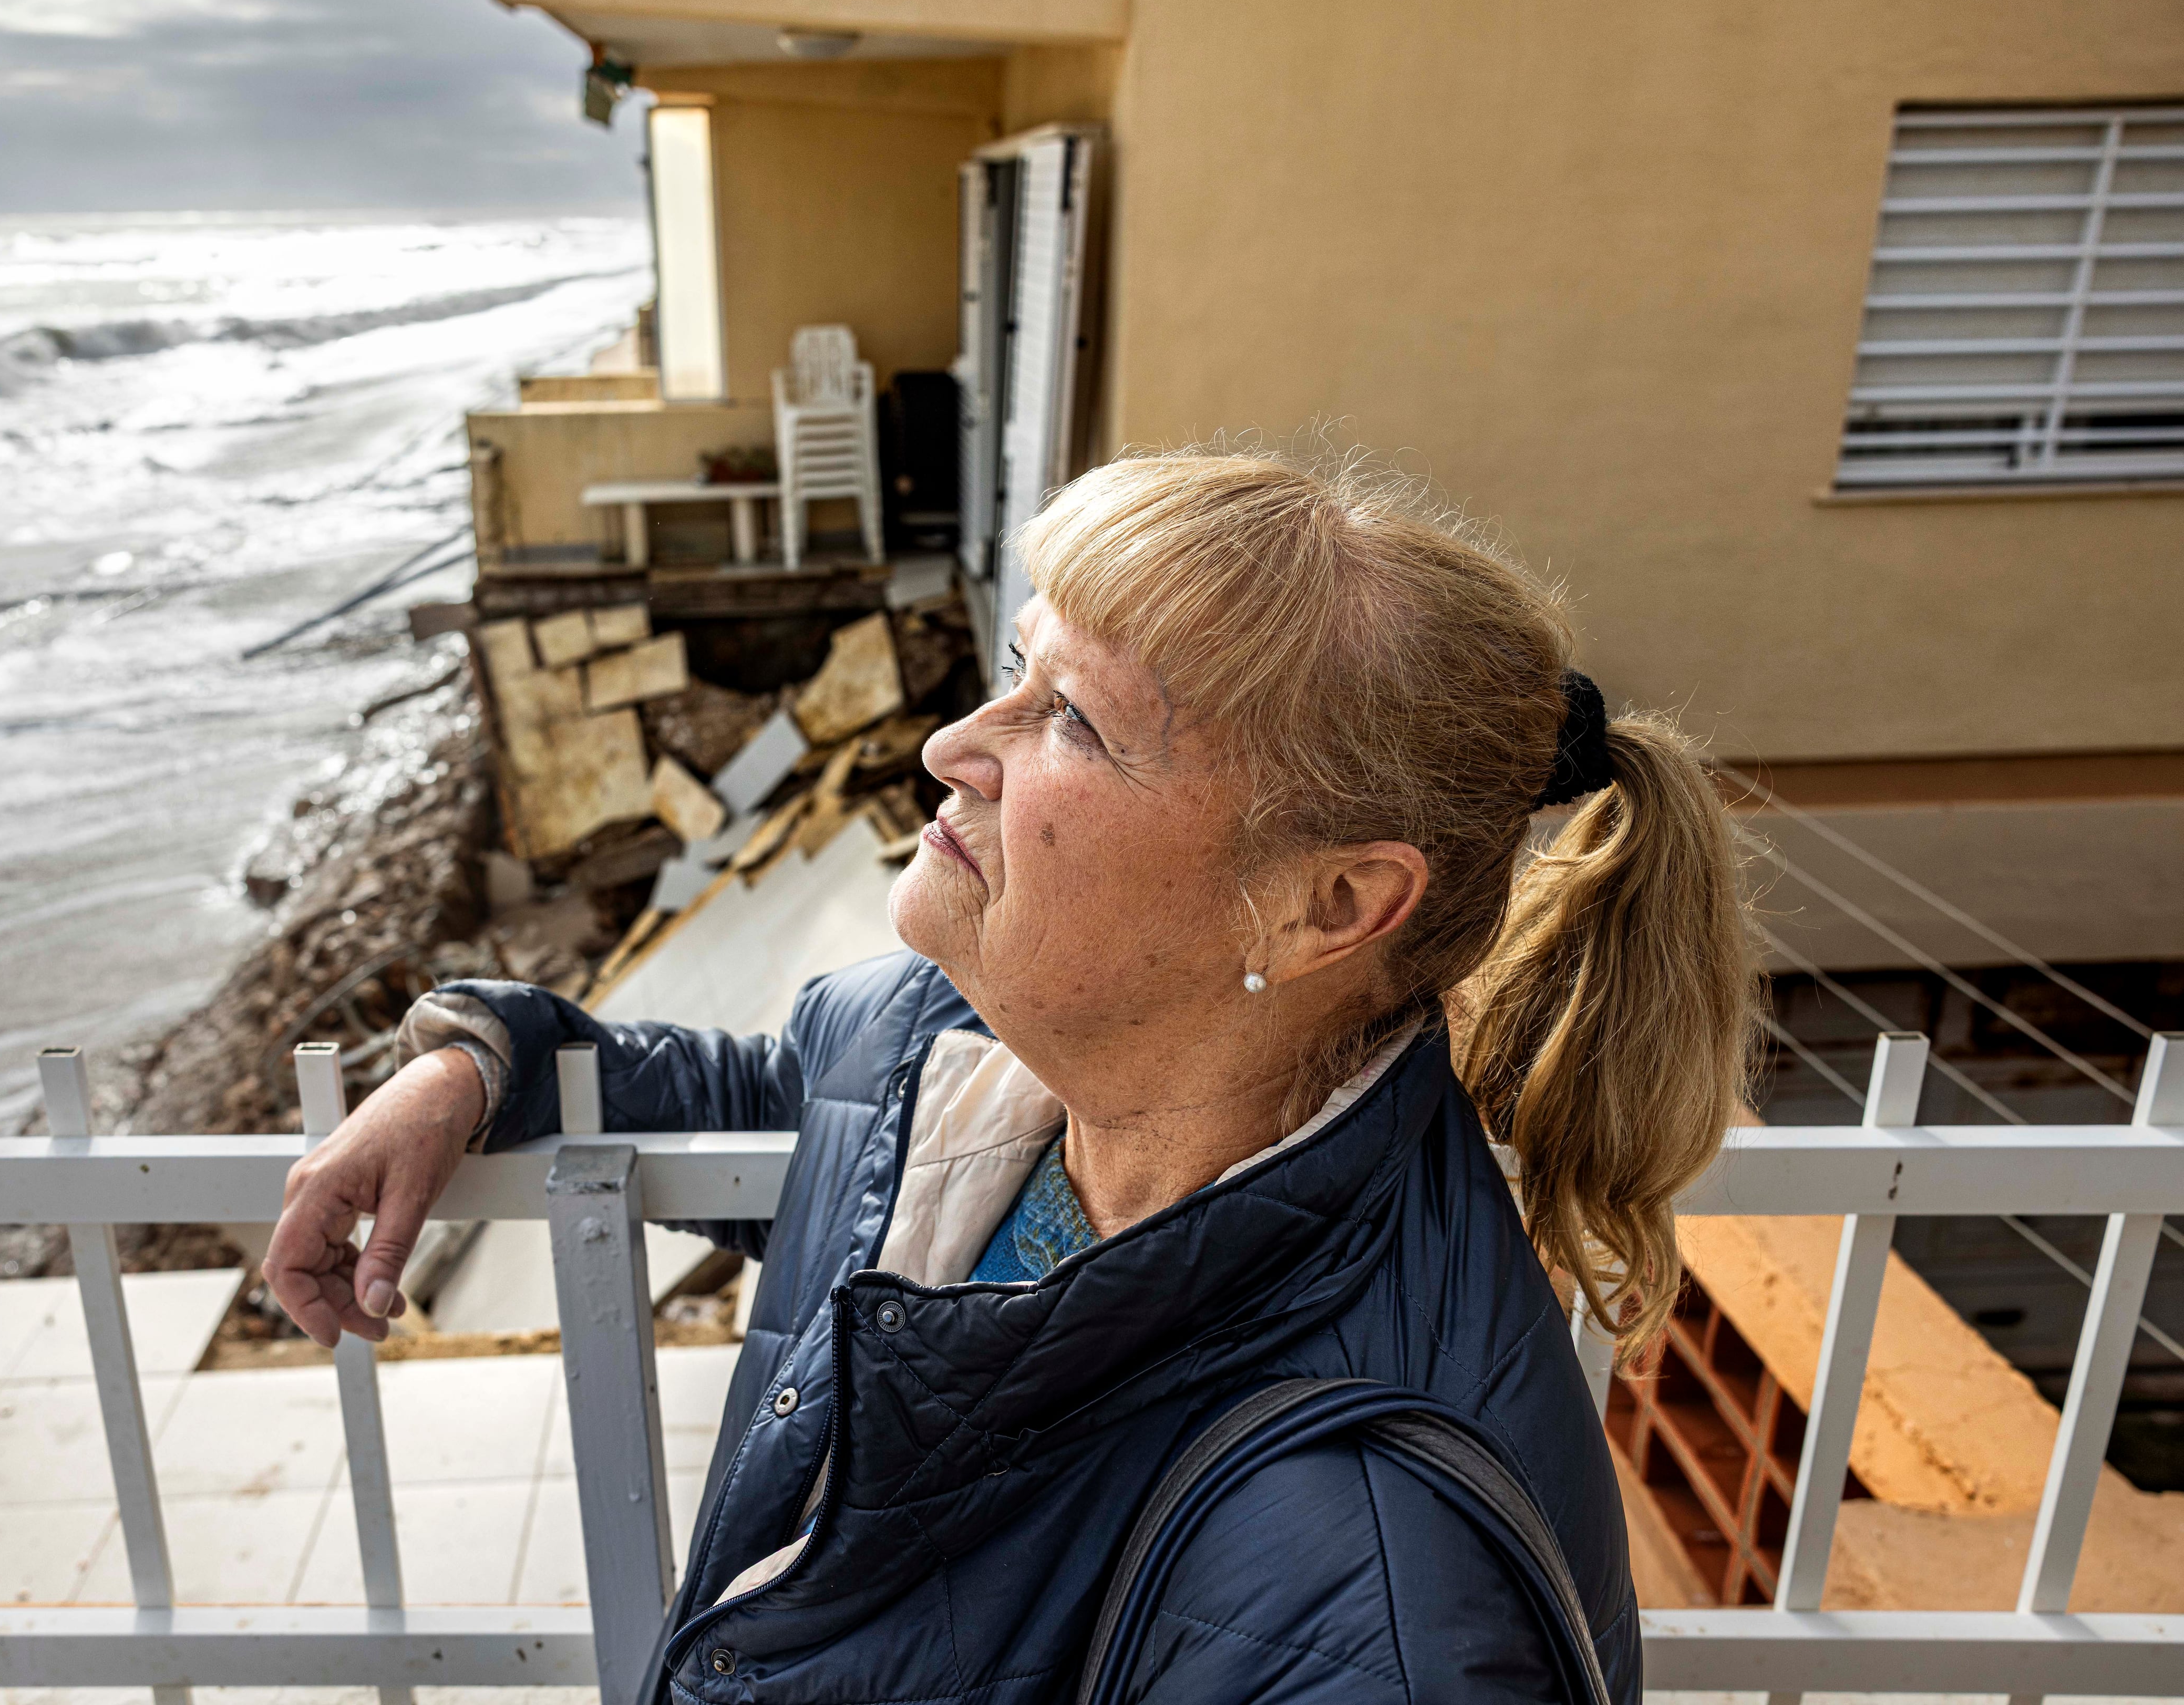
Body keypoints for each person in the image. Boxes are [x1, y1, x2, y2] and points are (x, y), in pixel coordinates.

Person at [266, 447, 1756, 1704]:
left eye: (1075, 722)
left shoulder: (1370, 1592)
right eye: (1013, 671)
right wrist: (482, 1061)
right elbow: (774, 1098)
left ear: (1329, 907)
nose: (945, 746)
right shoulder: (956, 1037)